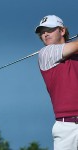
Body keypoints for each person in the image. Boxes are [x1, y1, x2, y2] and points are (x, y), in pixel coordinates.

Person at [35, 15, 78, 150]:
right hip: (67, 128)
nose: (45, 34)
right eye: (42, 32)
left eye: (50, 29)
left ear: (62, 31)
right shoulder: (46, 53)